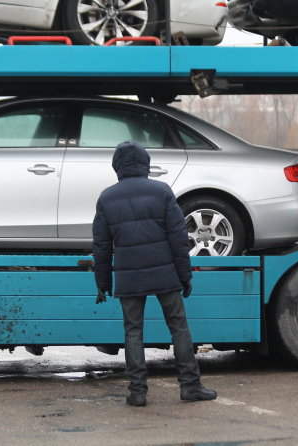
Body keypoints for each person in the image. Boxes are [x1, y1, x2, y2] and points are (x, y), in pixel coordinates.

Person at [92, 140, 217, 407]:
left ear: (117, 166)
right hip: (165, 273)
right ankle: (190, 386)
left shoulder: (107, 197)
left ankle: (138, 393)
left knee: (133, 332)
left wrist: (102, 283)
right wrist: (185, 275)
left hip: (129, 275)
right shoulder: (162, 191)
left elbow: (101, 246)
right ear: (145, 163)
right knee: (178, 328)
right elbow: (178, 238)